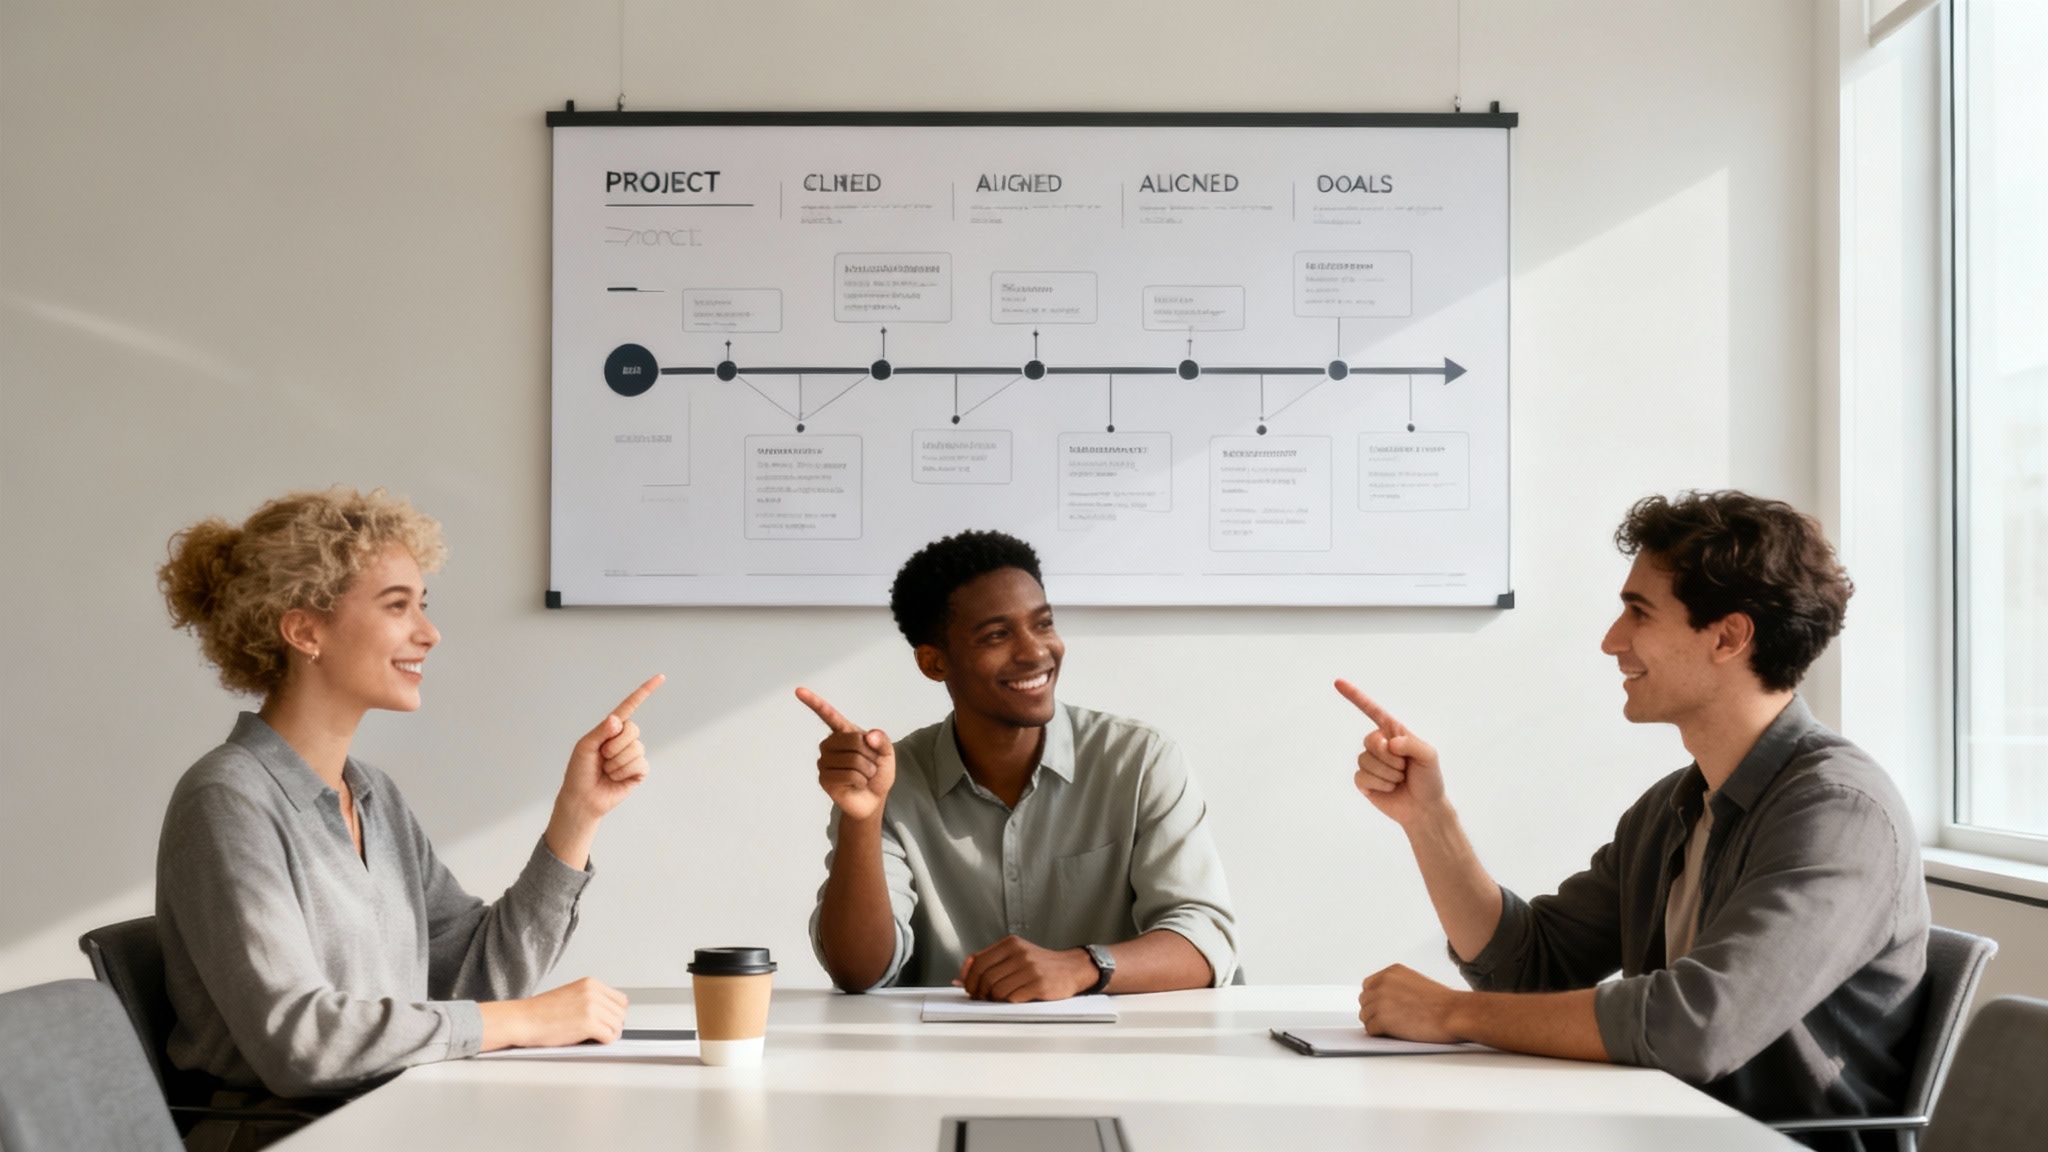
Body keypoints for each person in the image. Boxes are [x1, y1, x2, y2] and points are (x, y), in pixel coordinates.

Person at [1341, 490, 1928, 1149]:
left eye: (1638, 612)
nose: (1611, 641)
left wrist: (1452, 1014)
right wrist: (1428, 819)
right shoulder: (1674, 806)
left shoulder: (1841, 813)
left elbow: (1696, 1027)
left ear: (1728, 637)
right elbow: (1529, 967)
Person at [155, 487, 663, 1115]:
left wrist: (578, 814)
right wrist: (525, 1020)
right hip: (288, 1134)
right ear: (305, 630)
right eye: (398, 606)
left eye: (423, 605)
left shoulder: (375, 799)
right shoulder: (227, 800)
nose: (430, 633)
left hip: (392, 1113)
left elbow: (476, 982)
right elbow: (302, 1043)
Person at [799, 529, 1237, 1000]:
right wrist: (862, 821)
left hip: (1116, 1043)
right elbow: (857, 972)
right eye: (997, 635)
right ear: (934, 663)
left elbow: (1205, 939)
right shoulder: (889, 781)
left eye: (1043, 624)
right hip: (944, 1046)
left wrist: (1082, 966)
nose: (1035, 652)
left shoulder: (1140, 761)